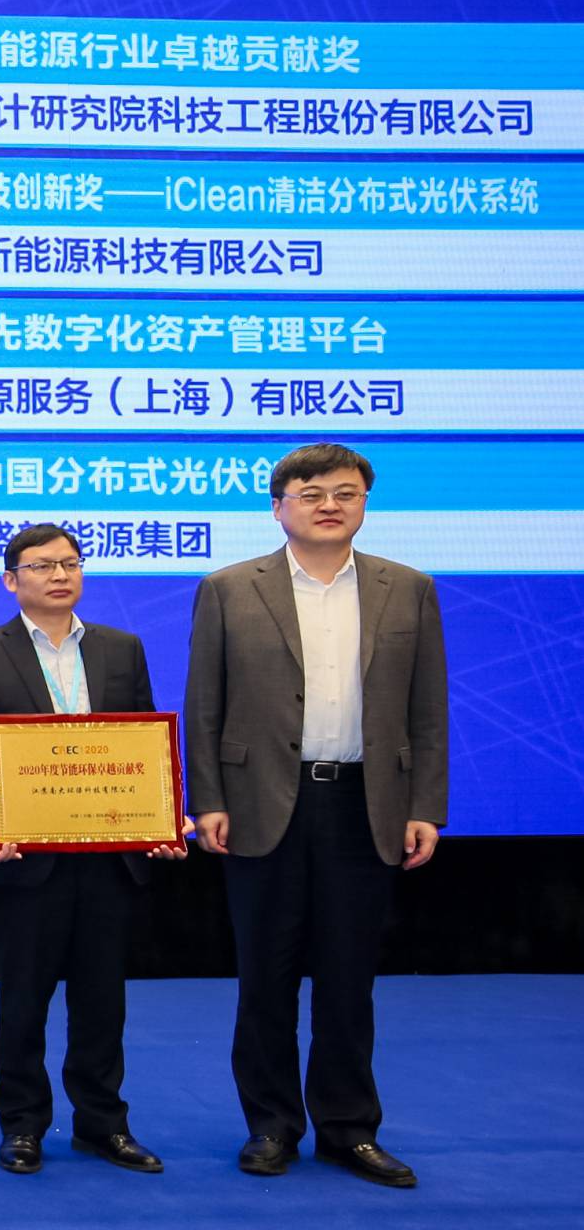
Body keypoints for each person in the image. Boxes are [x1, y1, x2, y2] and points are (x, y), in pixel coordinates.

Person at [186, 443, 446, 1188]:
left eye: (345, 492)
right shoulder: (229, 588)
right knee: (264, 977)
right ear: (279, 507)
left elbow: (428, 708)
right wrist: (208, 799)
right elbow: (205, 705)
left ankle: (348, 1129)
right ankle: (271, 1125)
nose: (329, 504)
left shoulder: (408, 588)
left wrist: (425, 805)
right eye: (310, 493)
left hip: (366, 803)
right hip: (261, 802)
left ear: (365, 502)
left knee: (348, 978)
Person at [0, 525, 189, 1176]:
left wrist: (160, 816)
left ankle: (103, 1124)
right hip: (24, 859)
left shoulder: (121, 648)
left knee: (103, 1000)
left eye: (71, 563)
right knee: (24, 1000)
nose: (60, 575)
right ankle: (22, 1125)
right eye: (43, 565)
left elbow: (143, 744)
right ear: (10, 580)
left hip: (108, 855)